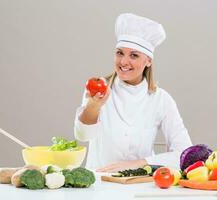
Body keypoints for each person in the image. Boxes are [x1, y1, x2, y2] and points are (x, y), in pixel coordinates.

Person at [74, 13, 192, 172]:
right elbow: (83, 136)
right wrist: (93, 106)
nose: (123, 62)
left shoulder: (161, 99)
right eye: (119, 53)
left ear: (148, 61)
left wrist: (139, 163)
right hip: (99, 183)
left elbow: (185, 153)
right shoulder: (99, 89)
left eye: (134, 55)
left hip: (140, 184)